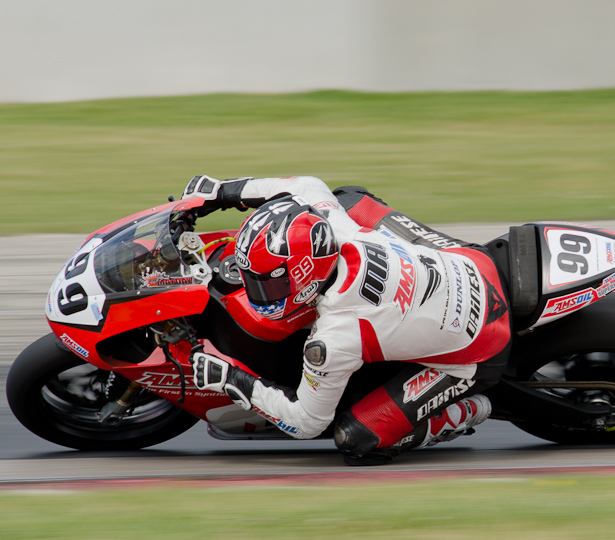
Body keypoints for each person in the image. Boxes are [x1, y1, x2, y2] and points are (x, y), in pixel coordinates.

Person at [185, 175, 511, 465]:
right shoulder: (333, 226)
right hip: (471, 264)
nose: (258, 292)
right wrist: (221, 192)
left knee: (356, 439)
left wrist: (230, 378)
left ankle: (463, 412)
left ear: (305, 276)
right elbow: (302, 185)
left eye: (268, 283)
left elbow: (306, 422)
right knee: (348, 197)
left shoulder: (336, 335)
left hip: (481, 344)